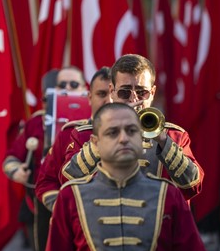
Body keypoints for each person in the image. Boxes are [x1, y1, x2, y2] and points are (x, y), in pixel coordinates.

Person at [39, 103, 217, 251]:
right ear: (95, 143)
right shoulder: (71, 198)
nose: (123, 138)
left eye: (132, 131)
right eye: (112, 132)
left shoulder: (169, 196)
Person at [61, 54, 204, 202]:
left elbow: (193, 185)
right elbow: (67, 180)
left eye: (142, 93)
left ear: (152, 93)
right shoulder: (85, 134)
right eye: (125, 92)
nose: (133, 100)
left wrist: (163, 141)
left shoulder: (174, 136)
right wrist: (107, 132)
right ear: (112, 92)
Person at [3, 67, 86, 251]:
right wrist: (17, 172)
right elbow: (11, 157)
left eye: (74, 85)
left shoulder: (98, 120)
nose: (68, 88)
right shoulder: (38, 122)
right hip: (41, 207)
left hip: (85, 206)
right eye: (62, 85)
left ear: (85, 89)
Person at [35, 67, 111, 213]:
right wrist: (67, 212)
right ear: (89, 97)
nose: (109, 100)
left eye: (113, 93)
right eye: (101, 94)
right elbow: (46, 182)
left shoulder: (135, 132)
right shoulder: (69, 133)